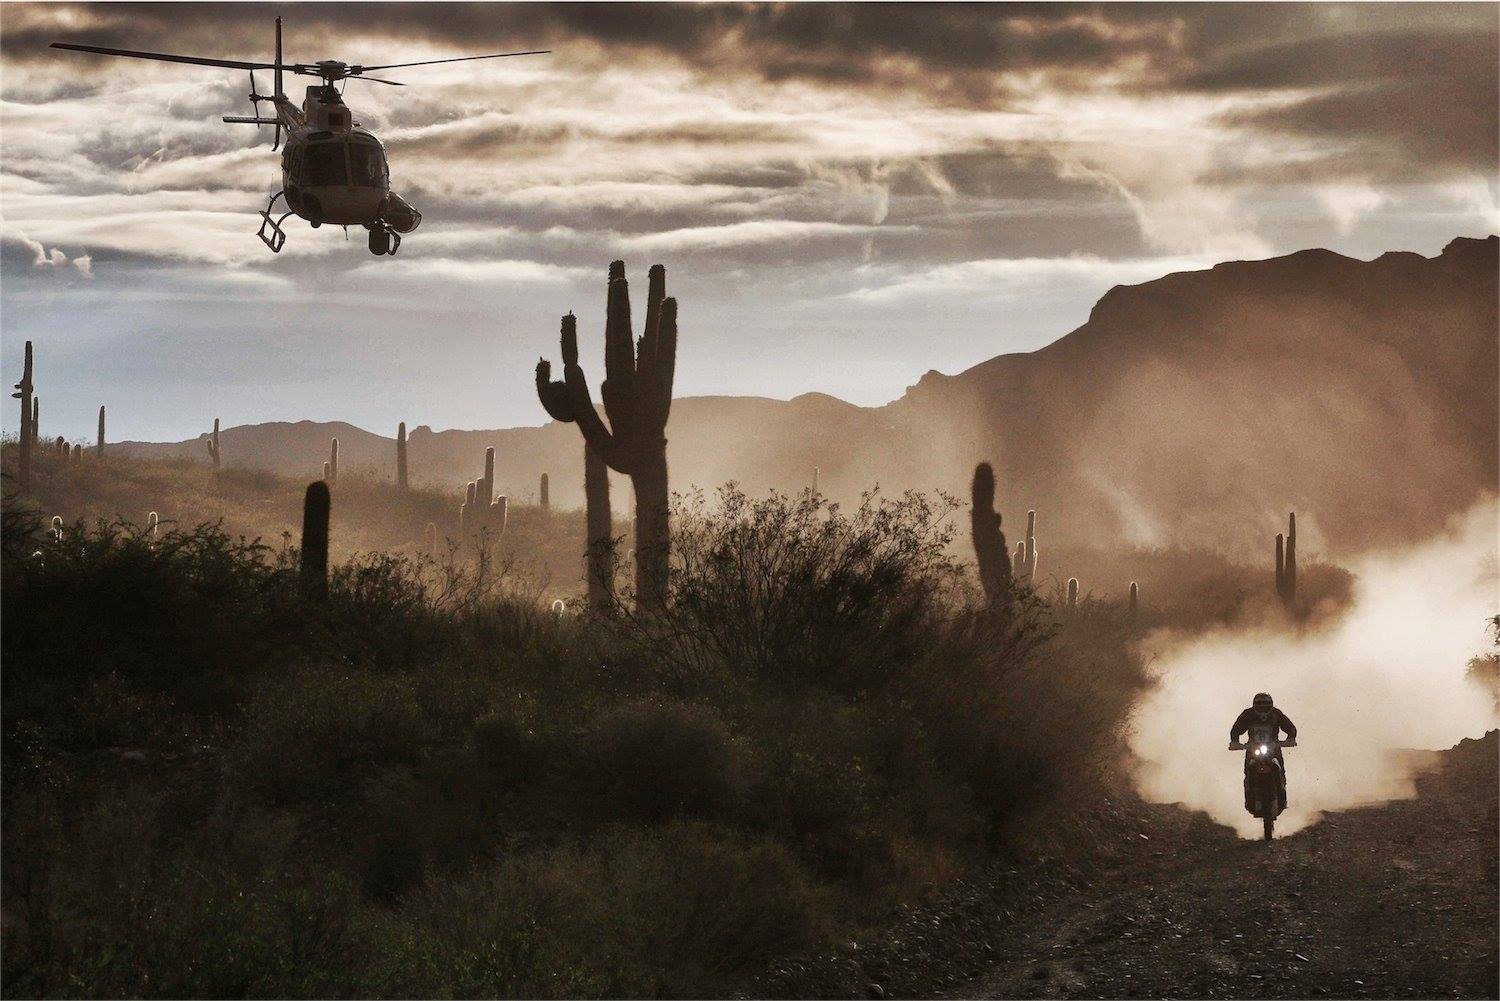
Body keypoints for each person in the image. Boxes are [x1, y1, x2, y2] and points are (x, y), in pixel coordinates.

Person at [1230, 692, 1296, 812]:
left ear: (1271, 705)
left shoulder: (1276, 714)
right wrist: (1235, 741)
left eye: (1266, 705)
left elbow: (1289, 727)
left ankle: (1282, 794)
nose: (1263, 708)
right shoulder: (1248, 715)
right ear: (1254, 705)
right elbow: (1236, 729)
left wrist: (1291, 738)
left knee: (1281, 771)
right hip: (1252, 749)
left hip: (1274, 749)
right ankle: (1249, 796)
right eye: (1260, 705)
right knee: (1248, 772)